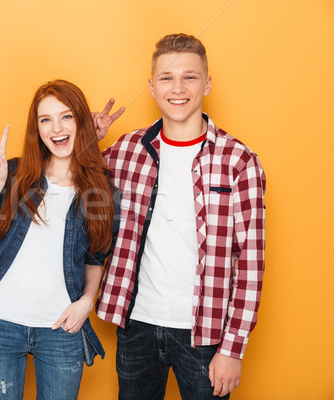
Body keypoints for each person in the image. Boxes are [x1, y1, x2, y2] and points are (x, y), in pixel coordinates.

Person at [94, 33, 266, 399]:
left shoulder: (238, 161)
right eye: (167, 78)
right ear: (152, 88)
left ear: (207, 83)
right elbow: (70, 182)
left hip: (205, 333)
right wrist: (88, 141)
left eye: (189, 76)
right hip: (136, 323)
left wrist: (232, 348)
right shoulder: (125, 150)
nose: (178, 88)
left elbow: (250, 262)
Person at [0, 79, 120, 400]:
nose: (56, 128)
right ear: (37, 128)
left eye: (67, 116)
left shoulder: (101, 187)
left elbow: (96, 257)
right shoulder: (15, 174)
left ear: (81, 122)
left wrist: (87, 302)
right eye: (46, 120)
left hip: (61, 329)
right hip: (0, 325)